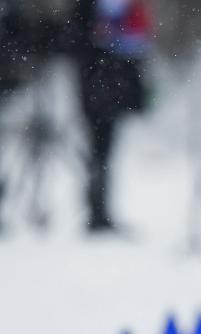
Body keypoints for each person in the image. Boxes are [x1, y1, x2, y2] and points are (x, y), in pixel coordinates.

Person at [64, 0, 149, 233]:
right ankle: (97, 212)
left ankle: (101, 211)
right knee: (98, 152)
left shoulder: (123, 7)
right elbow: (74, 42)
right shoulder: (87, 8)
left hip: (112, 91)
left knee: (104, 153)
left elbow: (137, 45)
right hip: (96, 91)